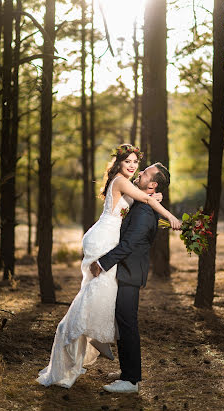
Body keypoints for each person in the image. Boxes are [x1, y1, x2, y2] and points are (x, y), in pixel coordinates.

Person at [36, 144, 180, 388]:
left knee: (119, 316)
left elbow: (135, 228)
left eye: (141, 168)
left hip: (122, 263)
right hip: (106, 245)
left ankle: (125, 372)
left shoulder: (140, 203)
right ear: (120, 163)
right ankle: (114, 360)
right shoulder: (127, 186)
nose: (136, 169)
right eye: (130, 162)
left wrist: (160, 205)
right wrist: (166, 211)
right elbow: (141, 199)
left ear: (153, 184)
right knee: (107, 308)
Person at [90, 162, 173, 393]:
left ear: (153, 183)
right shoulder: (146, 203)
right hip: (127, 270)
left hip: (130, 272)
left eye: (145, 173)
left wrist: (102, 263)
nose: (139, 173)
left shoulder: (146, 211)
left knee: (128, 323)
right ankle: (127, 371)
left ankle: (131, 380)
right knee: (123, 320)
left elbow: (128, 244)